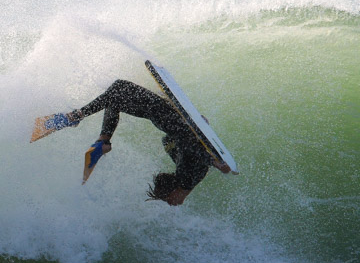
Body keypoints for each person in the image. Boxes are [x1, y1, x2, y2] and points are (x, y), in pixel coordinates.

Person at [33, 79, 231, 205]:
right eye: (168, 200)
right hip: (171, 121)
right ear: (174, 191)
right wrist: (213, 160)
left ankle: (98, 134)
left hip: (170, 122)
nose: (171, 204)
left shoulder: (186, 175)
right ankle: (85, 124)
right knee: (117, 90)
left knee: (117, 92)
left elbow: (173, 143)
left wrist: (196, 129)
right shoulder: (187, 178)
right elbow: (189, 148)